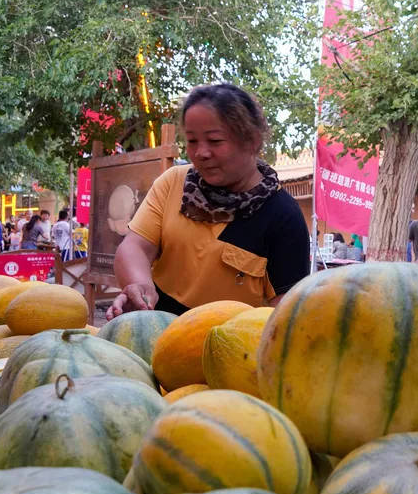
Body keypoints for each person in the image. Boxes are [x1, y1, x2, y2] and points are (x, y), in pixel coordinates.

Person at [106, 83, 310, 319]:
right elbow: (134, 247)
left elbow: (284, 310)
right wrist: (139, 286)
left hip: (230, 348)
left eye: (215, 141)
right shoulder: (174, 183)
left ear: (252, 141)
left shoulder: (282, 216)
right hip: (156, 332)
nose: (201, 152)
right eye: (192, 141)